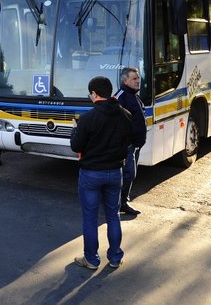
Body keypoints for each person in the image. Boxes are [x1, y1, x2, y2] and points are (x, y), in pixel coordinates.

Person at [70, 76, 132, 270]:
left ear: (94, 94)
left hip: (91, 173)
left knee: (90, 217)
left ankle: (91, 259)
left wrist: (75, 130)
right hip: (115, 172)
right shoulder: (125, 115)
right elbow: (131, 140)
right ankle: (115, 257)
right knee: (113, 215)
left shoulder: (88, 118)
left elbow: (76, 146)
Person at [114, 67, 147, 215]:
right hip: (126, 145)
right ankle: (118, 203)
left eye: (138, 78)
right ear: (125, 80)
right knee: (128, 174)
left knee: (130, 174)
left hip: (135, 144)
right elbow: (113, 120)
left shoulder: (134, 95)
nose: (138, 81)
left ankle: (123, 202)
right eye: (134, 78)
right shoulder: (120, 96)